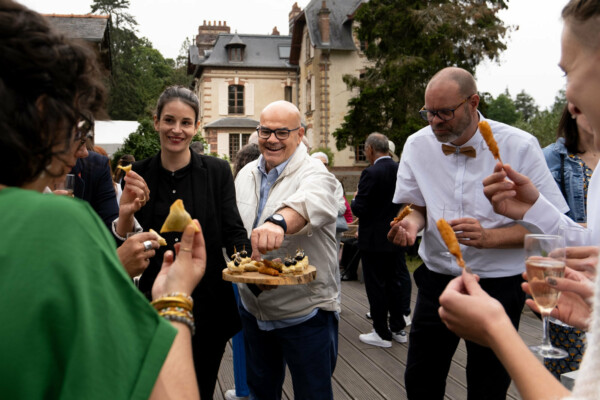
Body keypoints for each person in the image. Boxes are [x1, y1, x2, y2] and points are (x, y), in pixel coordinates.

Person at [0, 2, 205, 398]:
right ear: (45, 114)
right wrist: (175, 297)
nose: (82, 148)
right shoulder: (56, 223)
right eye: (78, 121)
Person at [440, 2, 600, 398]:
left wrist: (496, 330)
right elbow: (589, 247)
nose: (569, 98)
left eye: (568, 72)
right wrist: (532, 209)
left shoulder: (523, 144)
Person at [387, 66, 568, 399]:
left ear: (473, 102)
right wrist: (409, 226)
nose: (435, 121)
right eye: (429, 112)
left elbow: (549, 227)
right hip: (437, 281)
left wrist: (490, 238)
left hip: (499, 285)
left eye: (444, 112)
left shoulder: (521, 146)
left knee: (488, 386)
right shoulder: (416, 145)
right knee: (421, 379)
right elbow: (417, 207)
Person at [124, 85, 251, 399]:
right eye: (169, 120)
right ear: (156, 122)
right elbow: (128, 239)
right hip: (152, 300)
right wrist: (125, 214)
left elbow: (234, 231)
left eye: (185, 122)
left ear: (196, 126)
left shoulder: (218, 171)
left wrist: (250, 266)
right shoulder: (138, 173)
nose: (176, 130)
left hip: (208, 304)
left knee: (202, 388)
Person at [234, 100, 340, 399]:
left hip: (305, 312)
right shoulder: (246, 175)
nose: (272, 139)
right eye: (266, 131)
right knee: (261, 392)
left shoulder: (315, 173)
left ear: (300, 134)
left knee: (313, 394)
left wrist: (278, 222)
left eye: (282, 132)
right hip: (254, 309)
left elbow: (313, 200)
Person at [542, 103, 598, 377]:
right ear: (574, 111)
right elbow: (544, 221)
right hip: (571, 273)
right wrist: (585, 228)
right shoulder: (554, 157)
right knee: (567, 368)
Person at [352, 132, 410, 347]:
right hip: (396, 234)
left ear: (370, 149)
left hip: (374, 239)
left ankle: (381, 332)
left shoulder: (371, 172)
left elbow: (361, 208)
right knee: (394, 283)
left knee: (376, 285)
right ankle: (398, 329)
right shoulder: (400, 169)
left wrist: (356, 198)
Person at [225, 142, 262, 400]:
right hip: (264, 264)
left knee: (242, 332)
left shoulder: (235, 184)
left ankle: (242, 389)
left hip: (240, 263)